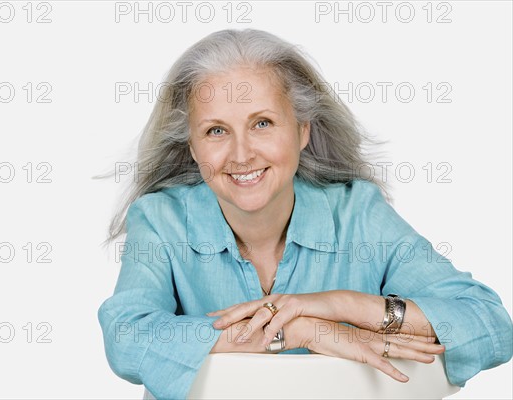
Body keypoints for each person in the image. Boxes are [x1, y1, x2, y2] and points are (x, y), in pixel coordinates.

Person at [97, 29, 513, 399]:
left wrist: (339, 307)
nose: (241, 155)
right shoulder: (159, 220)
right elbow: (126, 336)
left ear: (302, 131)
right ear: (191, 146)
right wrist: (296, 331)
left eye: (262, 123)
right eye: (216, 130)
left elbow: (490, 325)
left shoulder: (358, 214)